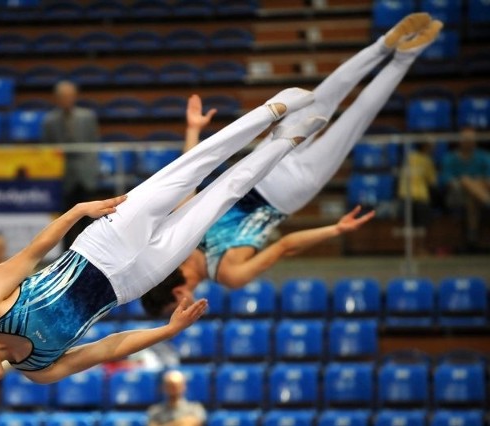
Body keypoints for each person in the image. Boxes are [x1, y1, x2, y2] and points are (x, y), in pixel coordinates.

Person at [0, 83, 326, 406]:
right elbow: (107, 349)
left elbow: (32, 252)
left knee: (186, 174)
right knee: (217, 202)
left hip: (100, 245)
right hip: (129, 284)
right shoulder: (38, 370)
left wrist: (75, 212)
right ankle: (287, 140)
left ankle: (271, 110)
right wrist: (165, 332)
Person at [140, 13, 444, 316]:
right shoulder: (181, 235)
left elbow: (285, 245)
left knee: (355, 121)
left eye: (175, 308)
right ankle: (381, 46)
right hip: (258, 167)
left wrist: (335, 229)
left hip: (288, 193)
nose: (184, 308)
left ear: (179, 291)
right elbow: (187, 174)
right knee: (322, 97)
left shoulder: (230, 275)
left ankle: (404, 57)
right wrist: (193, 127)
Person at [41, 80, 102, 246]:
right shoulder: (49, 121)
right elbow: (47, 149)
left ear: (74, 96)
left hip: (85, 175)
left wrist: (93, 170)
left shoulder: (87, 117)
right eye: (62, 96)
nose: (66, 99)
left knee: (88, 221)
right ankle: (64, 258)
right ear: (57, 98)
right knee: (64, 220)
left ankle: (88, 252)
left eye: (69, 96)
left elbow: (93, 144)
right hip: (64, 176)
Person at [441, 127, 490, 252]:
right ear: (459, 140)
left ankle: (472, 239)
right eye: (466, 139)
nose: (469, 141)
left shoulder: (484, 157)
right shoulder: (450, 158)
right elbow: (444, 180)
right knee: (465, 180)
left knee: (471, 196)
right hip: (456, 195)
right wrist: (467, 182)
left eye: (472, 139)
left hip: (478, 194)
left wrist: (476, 183)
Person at [398, 141, 438, 255]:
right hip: (420, 196)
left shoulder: (409, 157)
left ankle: (411, 249)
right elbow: (432, 182)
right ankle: (419, 248)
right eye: (432, 146)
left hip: (404, 196)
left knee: (410, 224)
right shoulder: (427, 160)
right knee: (421, 225)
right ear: (426, 146)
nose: (434, 149)